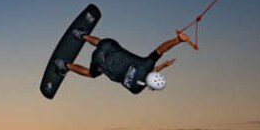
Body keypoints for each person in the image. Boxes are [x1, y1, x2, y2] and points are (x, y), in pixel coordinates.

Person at [55, 30, 196, 94]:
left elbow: (161, 49)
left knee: (104, 44)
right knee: (90, 74)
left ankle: (81, 35)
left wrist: (178, 40)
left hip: (107, 46)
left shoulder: (147, 64)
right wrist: (158, 68)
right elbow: (142, 79)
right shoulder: (136, 89)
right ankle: (65, 65)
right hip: (99, 62)